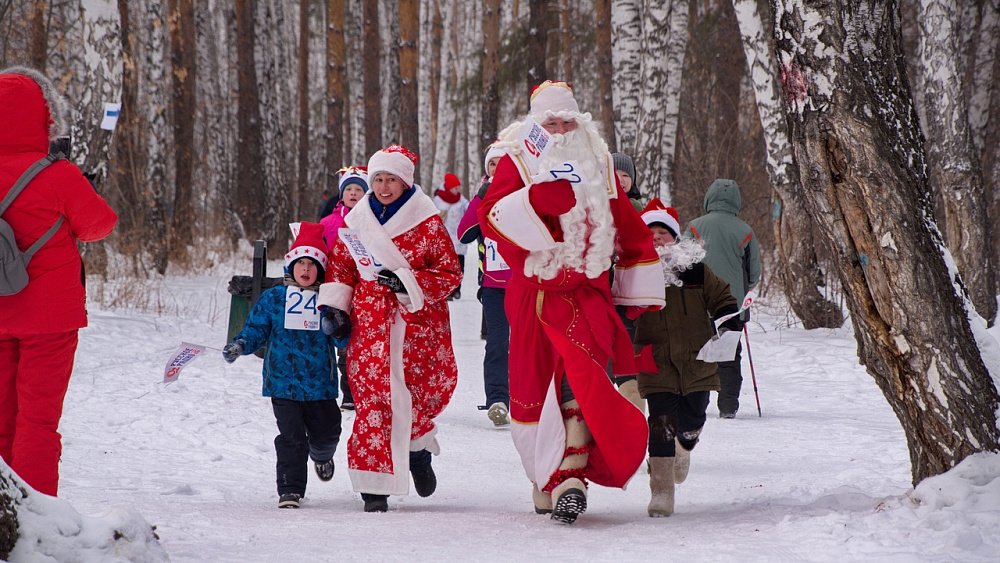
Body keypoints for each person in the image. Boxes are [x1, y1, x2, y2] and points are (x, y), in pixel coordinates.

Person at [478, 81, 665, 524]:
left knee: (579, 381)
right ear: (536, 125)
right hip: (534, 297)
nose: (560, 129)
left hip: (587, 295)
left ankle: (571, 479)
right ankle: (546, 478)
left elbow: (624, 221)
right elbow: (490, 216)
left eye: (567, 121)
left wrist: (639, 275)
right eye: (551, 122)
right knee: (532, 391)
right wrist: (536, 200)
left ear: (579, 124)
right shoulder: (516, 159)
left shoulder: (598, 161)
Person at [318, 144, 461, 513]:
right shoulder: (356, 220)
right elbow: (341, 269)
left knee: (415, 396)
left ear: (405, 182)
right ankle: (374, 486)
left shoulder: (427, 221)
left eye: (391, 180)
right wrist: (335, 308)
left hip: (417, 324)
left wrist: (406, 283)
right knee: (372, 399)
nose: (383, 186)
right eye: (377, 179)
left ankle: (417, 453)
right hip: (370, 322)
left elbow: (449, 274)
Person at [0, 67, 118, 497]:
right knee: (37, 422)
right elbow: (99, 225)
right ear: (44, 118)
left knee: (2, 418)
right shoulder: (56, 174)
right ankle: (32, 519)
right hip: (49, 318)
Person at [223, 222, 345, 509]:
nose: (305, 270)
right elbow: (256, 328)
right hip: (283, 383)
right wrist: (240, 344)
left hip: (320, 386)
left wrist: (337, 327)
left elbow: (345, 340)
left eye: (312, 264)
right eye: (300, 263)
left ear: (320, 269)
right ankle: (290, 489)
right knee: (291, 438)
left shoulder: (329, 297)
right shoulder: (275, 298)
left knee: (328, 433)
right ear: (291, 265)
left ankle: (322, 455)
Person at [633, 202, 741, 516]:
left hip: (697, 358)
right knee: (661, 422)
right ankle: (662, 493)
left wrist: (727, 318)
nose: (656, 238)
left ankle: (686, 444)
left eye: (662, 233)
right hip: (656, 360)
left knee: (694, 416)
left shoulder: (695, 269)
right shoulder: (632, 271)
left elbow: (721, 296)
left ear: (674, 238)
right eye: (649, 233)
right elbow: (618, 307)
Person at [685, 178, 761, 418]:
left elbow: (683, 261)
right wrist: (742, 289)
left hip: (698, 303)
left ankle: (698, 403)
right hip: (732, 305)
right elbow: (754, 272)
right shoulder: (745, 231)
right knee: (729, 355)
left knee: (699, 354)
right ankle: (728, 406)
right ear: (736, 201)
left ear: (709, 198)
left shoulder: (695, 226)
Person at [457, 143, 511, 426]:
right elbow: (464, 233)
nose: (497, 169)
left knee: (530, 345)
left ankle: (534, 400)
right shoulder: (482, 196)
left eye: (504, 163)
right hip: (493, 287)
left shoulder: (524, 194)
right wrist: (480, 197)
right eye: (492, 164)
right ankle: (498, 399)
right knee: (498, 343)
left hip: (527, 285)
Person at [320, 166, 368, 410]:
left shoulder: (372, 219)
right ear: (341, 194)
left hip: (365, 286)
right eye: (348, 188)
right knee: (343, 338)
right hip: (337, 286)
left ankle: (364, 391)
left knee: (364, 340)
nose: (353, 193)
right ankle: (348, 393)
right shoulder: (329, 222)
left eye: (358, 189)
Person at [433, 172, 469, 301]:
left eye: (458, 187)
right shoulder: (438, 200)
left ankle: (457, 290)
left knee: (459, 267)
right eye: (455, 187)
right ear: (449, 187)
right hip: (445, 240)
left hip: (459, 239)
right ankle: (446, 290)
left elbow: (468, 209)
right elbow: (433, 217)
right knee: (445, 267)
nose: (458, 190)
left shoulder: (461, 199)